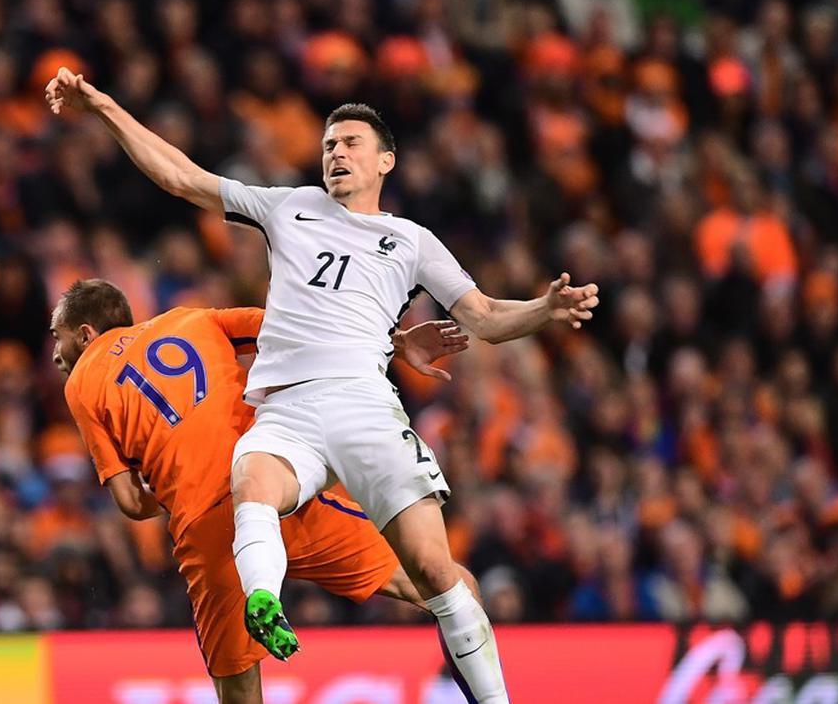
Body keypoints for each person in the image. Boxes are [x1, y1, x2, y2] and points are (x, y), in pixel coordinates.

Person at [46, 67, 600, 703]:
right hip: (286, 411)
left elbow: (486, 319)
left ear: (386, 159)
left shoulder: (412, 242)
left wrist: (543, 310)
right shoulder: (291, 206)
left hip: (364, 403)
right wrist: (105, 106)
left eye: (350, 142)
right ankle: (264, 599)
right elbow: (181, 176)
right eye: (328, 143)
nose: (335, 151)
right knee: (251, 480)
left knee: (437, 574)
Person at [52, 278, 468, 702]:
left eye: (57, 337)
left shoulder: (82, 381)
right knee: (445, 583)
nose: (54, 353)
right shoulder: (192, 318)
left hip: (207, 527)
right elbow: (297, 330)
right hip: (270, 486)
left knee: (237, 684)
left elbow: (129, 502)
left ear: (85, 334)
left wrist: (181, 477)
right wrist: (394, 342)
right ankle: (478, 685)